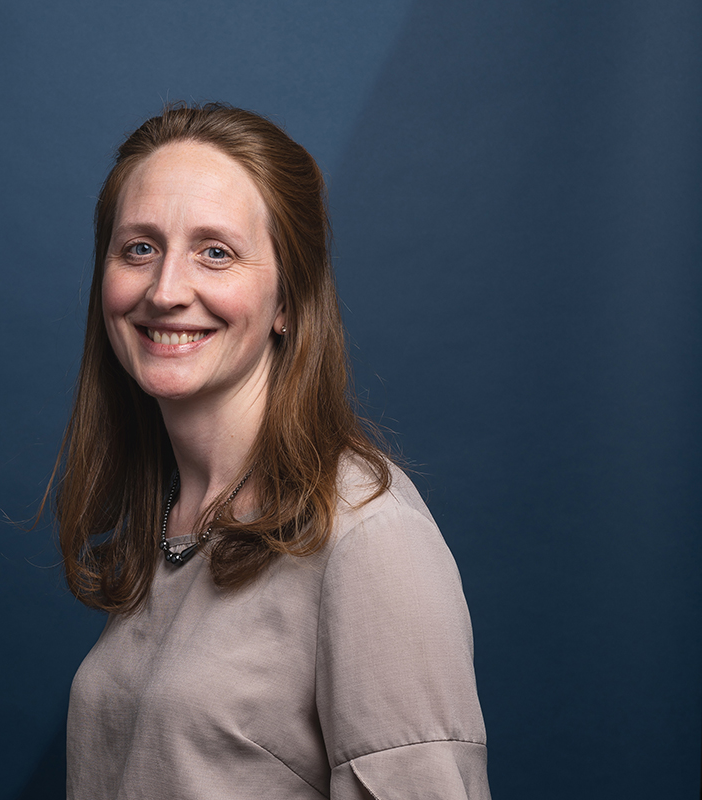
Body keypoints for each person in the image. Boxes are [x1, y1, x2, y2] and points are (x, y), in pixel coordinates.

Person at [50, 102, 491, 799]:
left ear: (288, 300)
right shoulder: (170, 510)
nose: (166, 290)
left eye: (215, 252)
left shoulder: (371, 539)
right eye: (139, 248)